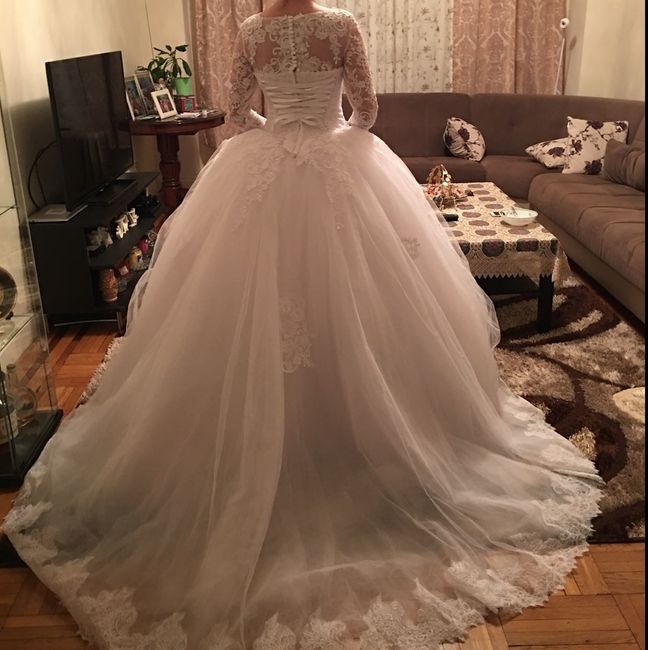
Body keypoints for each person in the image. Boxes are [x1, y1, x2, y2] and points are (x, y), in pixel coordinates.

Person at [3, 1, 603, 648]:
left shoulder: (251, 30)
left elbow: (237, 115)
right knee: (364, 301)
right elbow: (366, 112)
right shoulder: (340, 25)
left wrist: (276, 130)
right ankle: (361, 430)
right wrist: (327, 132)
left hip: (260, 167)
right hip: (335, 162)